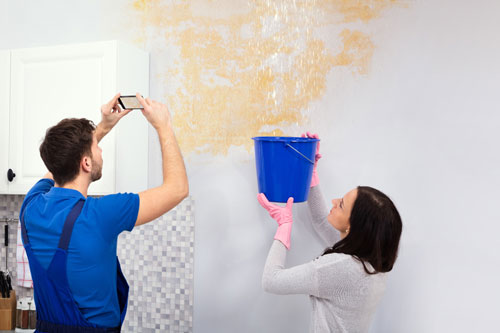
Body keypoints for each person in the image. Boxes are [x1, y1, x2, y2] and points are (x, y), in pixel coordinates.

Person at [19, 93, 188, 332]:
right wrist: (163, 125)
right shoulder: (101, 214)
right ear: (86, 163)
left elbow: (60, 164)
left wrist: (103, 127)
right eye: (96, 146)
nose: (100, 150)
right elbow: (177, 189)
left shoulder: (30, 206)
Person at [258, 132, 402, 333]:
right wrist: (310, 172)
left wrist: (284, 227)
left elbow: (271, 281)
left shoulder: (338, 269)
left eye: (341, 205)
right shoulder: (373, 260)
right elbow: (321, 221)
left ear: (352, 227)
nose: (334, 202)